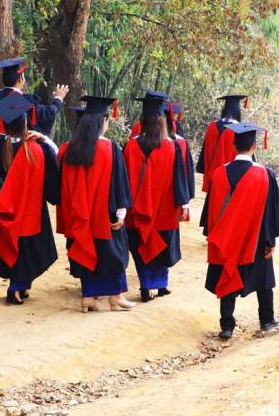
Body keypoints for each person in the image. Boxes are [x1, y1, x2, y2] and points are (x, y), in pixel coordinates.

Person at [204, 123, 279, 339]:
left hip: (226, 239)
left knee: (227, 275)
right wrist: (271, 241)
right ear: (254, 147)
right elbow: (270, 212)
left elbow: (210, 210)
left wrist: (212, 234)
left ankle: (227, 325)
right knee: (263, 281)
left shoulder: (219, 173)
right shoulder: (264, 174)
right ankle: (267, 320)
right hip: (255, 240)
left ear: (233, 145)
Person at [58, 95, 134, 312]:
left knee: (85, 248)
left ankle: (88, 297)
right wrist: (121, 213)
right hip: (104, 214)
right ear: (104, 120)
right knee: (112, 252)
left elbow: (64, 185)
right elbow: (119, 184)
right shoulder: (110, 148)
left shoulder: (71, 148)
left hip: (80, 213)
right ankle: (115, 296)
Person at [0, 95, 61, 305]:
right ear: (26, 123)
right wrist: (47, 140)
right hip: (29, 209)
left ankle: (21, 285)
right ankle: (16, 288)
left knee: (13, 244)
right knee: (28, 247)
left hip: (4, 207)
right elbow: (52, 180)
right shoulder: (36, 149)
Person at [123, 91, 190, 302]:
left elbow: (123, 179)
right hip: (164, 210)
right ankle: (160, 285)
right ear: (162, 121)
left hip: (136, 210)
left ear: (141, 120)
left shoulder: (131, 146)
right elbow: (180, 179)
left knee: (140, 244)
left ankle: (146, 286)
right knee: (162, 245)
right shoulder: (171, 146)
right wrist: (183, 204)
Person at [0, 57, 69, 152]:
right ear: (21, 79)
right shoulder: (21, 100)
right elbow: (48, 113)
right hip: (12, 155)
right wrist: (58, 99)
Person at [196, 94, 246, 227]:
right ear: (238, 111)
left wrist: (205, 169)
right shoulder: (239, 129)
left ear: (224, 109)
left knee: (214, 203)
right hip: (232, 177)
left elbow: (206, 152)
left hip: (214, 175)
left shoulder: (213, 127)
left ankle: (211, 227)